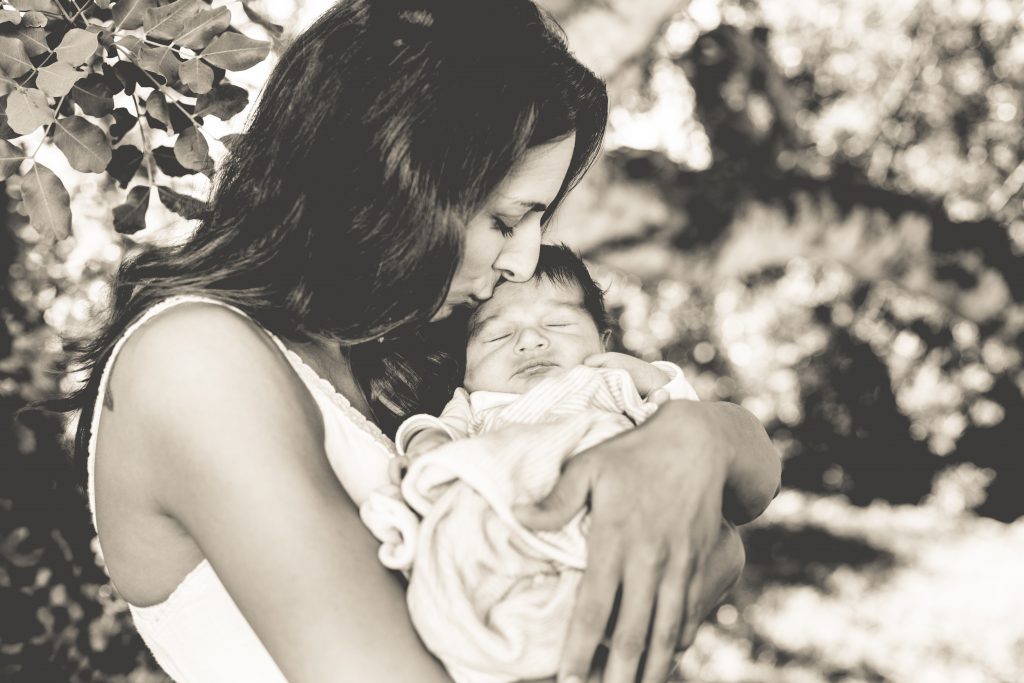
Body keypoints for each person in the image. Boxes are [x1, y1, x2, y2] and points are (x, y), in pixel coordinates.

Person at [56, 1, 780, 682]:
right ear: (392, 182)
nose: (524, 261)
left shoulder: (404, 347)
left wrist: (694, 438)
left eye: (539, 221)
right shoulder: (194, 363)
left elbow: (750, 484)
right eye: (506, 220)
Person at [360, 244, 713, 683]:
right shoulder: (477, 405)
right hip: (501, 535)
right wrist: (426, 443)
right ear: (465, 367)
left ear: (603, 341)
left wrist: (657, 381)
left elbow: (681, 437)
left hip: (600, 532)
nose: (530, 341)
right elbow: (430, 433)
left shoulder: (609, 382)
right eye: (497, 336)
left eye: (558, 323)